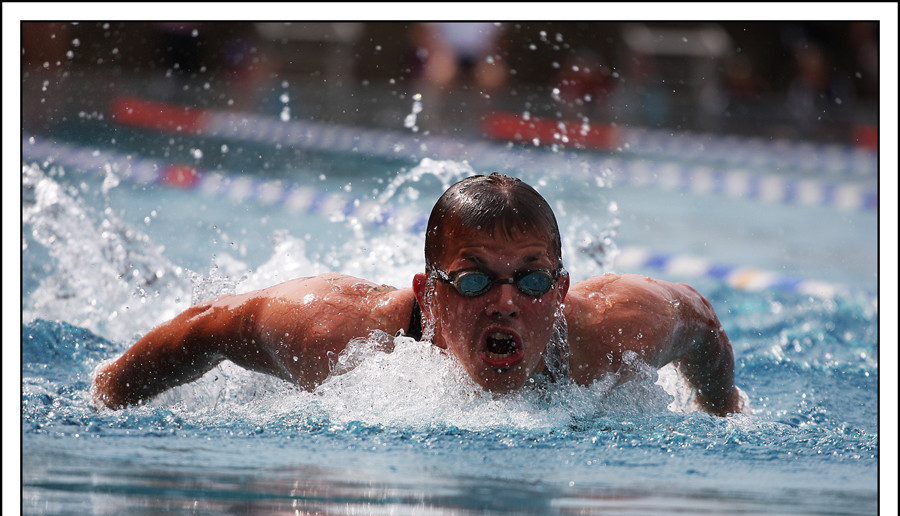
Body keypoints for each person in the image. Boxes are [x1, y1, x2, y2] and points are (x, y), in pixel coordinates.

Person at [91, 173, 745, 415]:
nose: (507, 302)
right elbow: (210, 327)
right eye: (474, 279)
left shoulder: (614, 328)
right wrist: (108, 394)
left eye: (533, 279)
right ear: (427, 297)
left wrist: (721, 413)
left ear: (561, 288)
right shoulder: (342, 336)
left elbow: (704, 324)